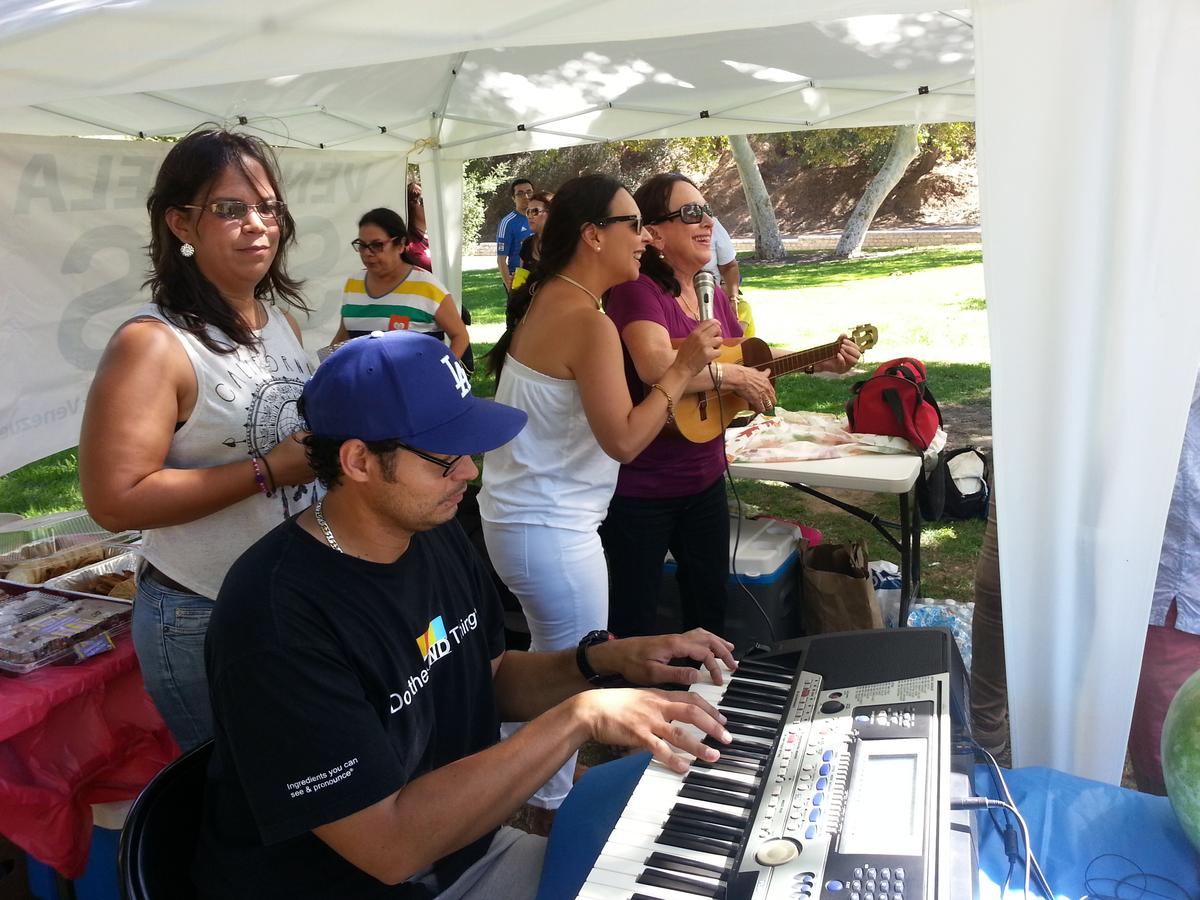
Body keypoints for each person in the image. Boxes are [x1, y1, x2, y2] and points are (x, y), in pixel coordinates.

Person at [195, 329, 737, 900]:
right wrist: (580, 716)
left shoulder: (430, 530)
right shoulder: (277, 617)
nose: (469, 472)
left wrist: (603, 661)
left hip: (462, 851)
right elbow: (389, 846)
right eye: (443, 458)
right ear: (357, 460)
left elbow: (489, 677)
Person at [478, 174, 722, 817]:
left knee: (538, 673)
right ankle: (544, 819)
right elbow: (624, 440)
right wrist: (681, 369)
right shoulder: (587, 320)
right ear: (593, 235)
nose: (644, 239)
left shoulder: (553, 298)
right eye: (632, 225)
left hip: (525, 523)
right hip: (550, 532)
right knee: (569, 687)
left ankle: (514, 799)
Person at [78, 128, 317, 751]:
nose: (258, 225)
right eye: (231, 209)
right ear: (182, 224)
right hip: (201, 615)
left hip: (289, 599)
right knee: (242, 804)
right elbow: (115, 499)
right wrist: (268, 470)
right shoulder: (153, 344)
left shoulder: (279, 322)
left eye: (267, 208)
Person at [600, 172, 862, 639]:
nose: (707, 223)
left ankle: (705, 695)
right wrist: (732, 375)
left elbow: (750, 357)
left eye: (708, 212)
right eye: (690, 213)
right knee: (633, 617)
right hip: (642, 489)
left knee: (709, 606)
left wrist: (821, 359)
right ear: (654, 233)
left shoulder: (712, 292)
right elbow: (656, 365)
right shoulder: (637, 290)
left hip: (703, 481)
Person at [332, 207, 469, 362]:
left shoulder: (426, 286)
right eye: (362, 245)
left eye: (377, 245)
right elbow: (343, 336)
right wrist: (324, 371)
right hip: (363, 386)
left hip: (415, 385)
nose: (367, 253)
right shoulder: (353, 284)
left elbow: (460, 336)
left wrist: (441, 374)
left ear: (401, 244)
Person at [509, 190, 553, 292]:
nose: (530, 216)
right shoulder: (527, 244)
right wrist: (516, 286)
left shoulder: (563, 245)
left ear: (551, 213)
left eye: (535, 211)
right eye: (528, 211)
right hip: (529, 304)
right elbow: (521, 278)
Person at [496, 177, 534, 293]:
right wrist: (510, 287)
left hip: (541, 277)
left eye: (529, 192)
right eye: (520, 194)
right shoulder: (507, 222)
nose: (526, 197)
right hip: (519, 279)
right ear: (513, 198)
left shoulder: (542, 217)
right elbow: (501, 260)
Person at [403, 179, 432, 272]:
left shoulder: (437, 239)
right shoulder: (406, 243)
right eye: (424, 201)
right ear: (411, 205)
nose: (430, 205)